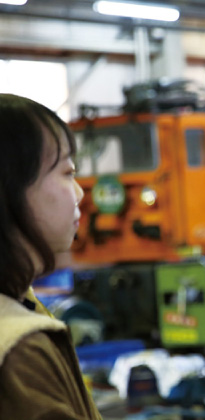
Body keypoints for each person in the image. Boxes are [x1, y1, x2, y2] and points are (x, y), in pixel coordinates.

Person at [0, 93, 102, 419]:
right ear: (11, 188)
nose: (80, 193)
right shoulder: (19, 348)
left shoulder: (22, 303)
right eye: (67, 172)